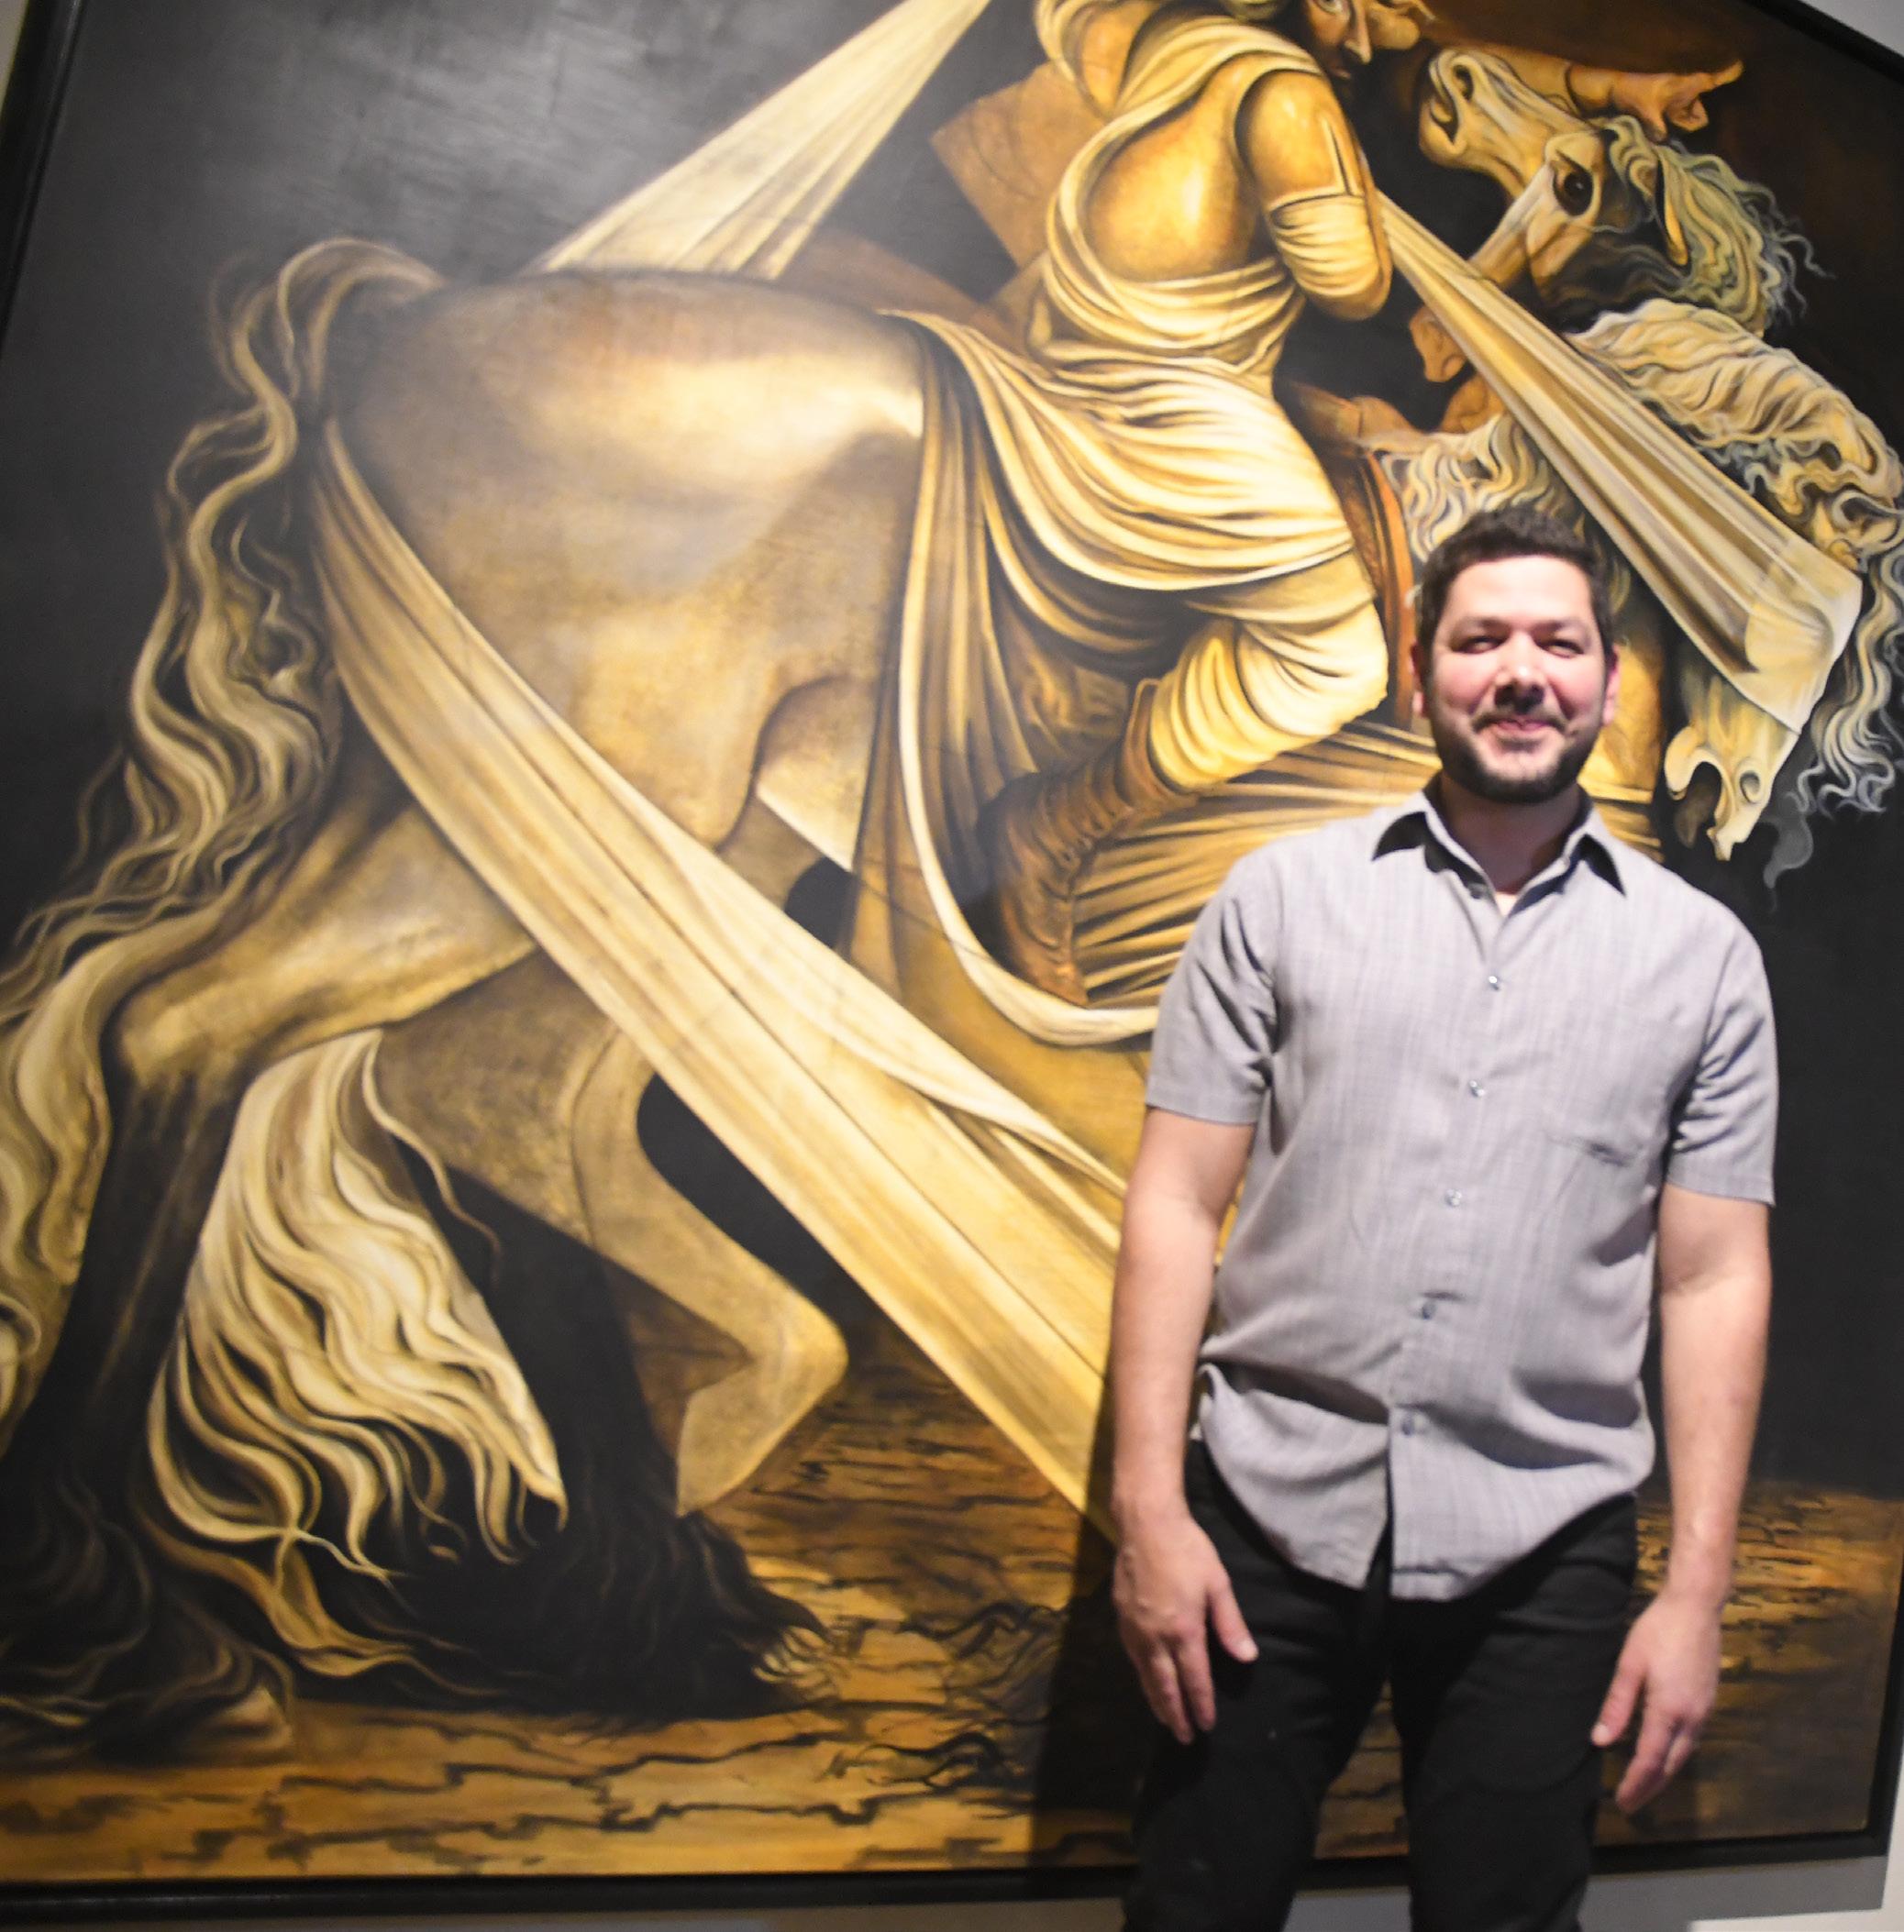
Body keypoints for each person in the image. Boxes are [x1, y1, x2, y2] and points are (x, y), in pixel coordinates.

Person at [1110, 504, 1776, 1929]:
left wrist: (1696, 1597)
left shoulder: (1706, 962)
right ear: (1420, 676)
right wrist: (1148, 1510)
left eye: (1559, 643)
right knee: (1192, 1911)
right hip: (1262, 1522)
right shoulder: (1278, 901)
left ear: (1609, 680)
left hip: (1545, 1544)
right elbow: (1174, 1200)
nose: (1521, 673)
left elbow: (1713, 1279)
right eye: (1481, 641)